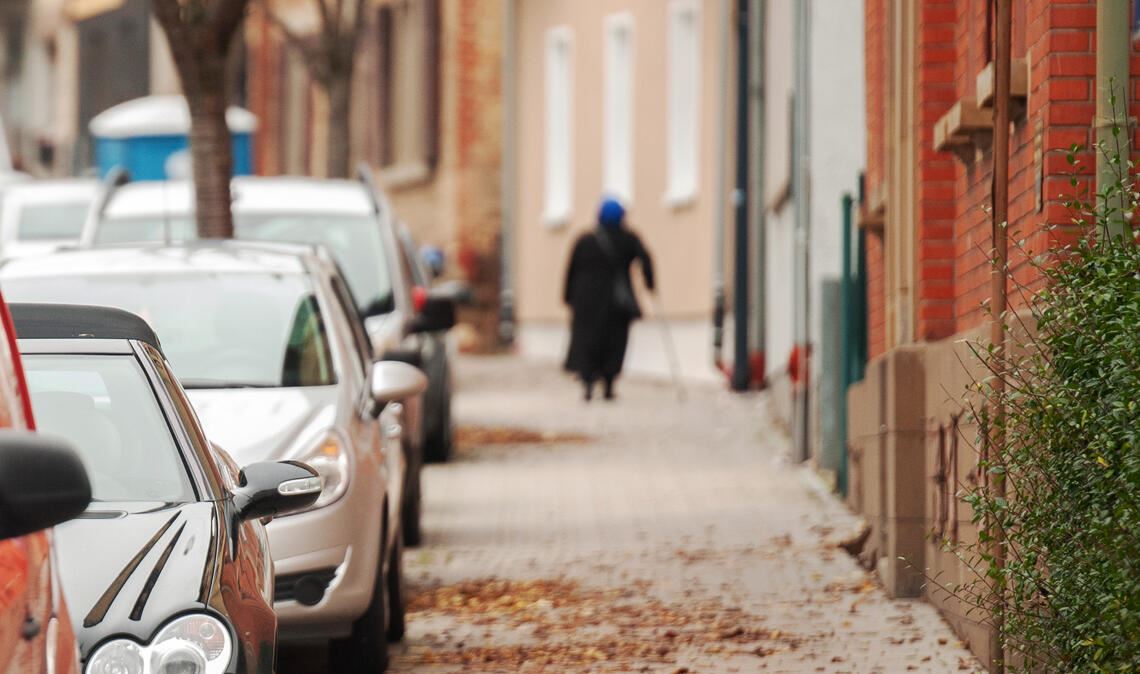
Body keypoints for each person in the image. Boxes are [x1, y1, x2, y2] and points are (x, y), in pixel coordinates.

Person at [563, 197, 655, 401]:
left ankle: (587, 382)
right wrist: (650, 283)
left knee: (587, 342)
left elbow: (571, 271)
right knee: (614, 343)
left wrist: (568, 297)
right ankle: (609, 384)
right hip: (616, 303)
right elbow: (646, 258)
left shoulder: (585, 241)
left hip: (586, 302)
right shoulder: (628, 239)